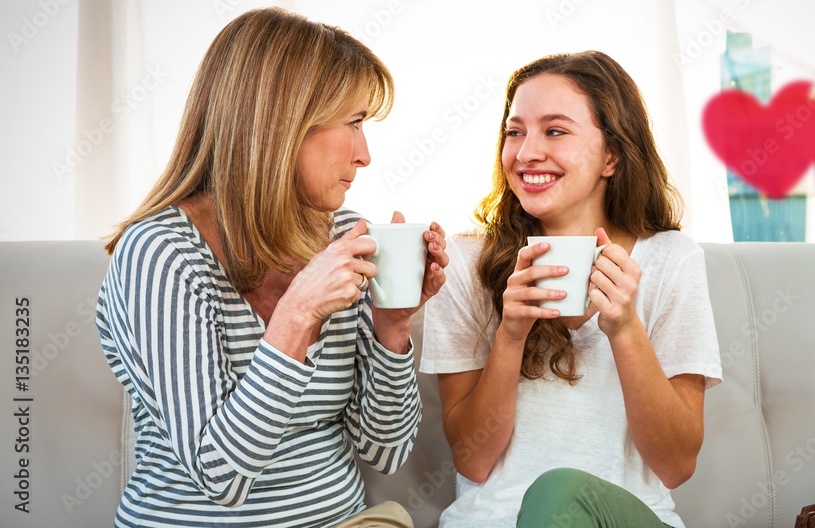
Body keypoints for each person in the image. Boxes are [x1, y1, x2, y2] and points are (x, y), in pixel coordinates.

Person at [95, 8, 447, 528]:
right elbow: (221, 477)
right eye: (353, 123)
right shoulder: (162, 252)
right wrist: (298, 314)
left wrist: (392, 325)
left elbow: (384, 451)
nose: (365, 154)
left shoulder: (341, 234)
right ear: (281, 124)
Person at [420, 51, 722, 527]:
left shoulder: (670, 259)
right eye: (514, 131)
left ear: (612, 155)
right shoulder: (464, 264)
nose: (526, 153)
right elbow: (473, 461)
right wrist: (511, 335)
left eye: (555, 130)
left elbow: (676, 464)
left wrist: (624, 330)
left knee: (560, 492)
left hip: (617, 519)